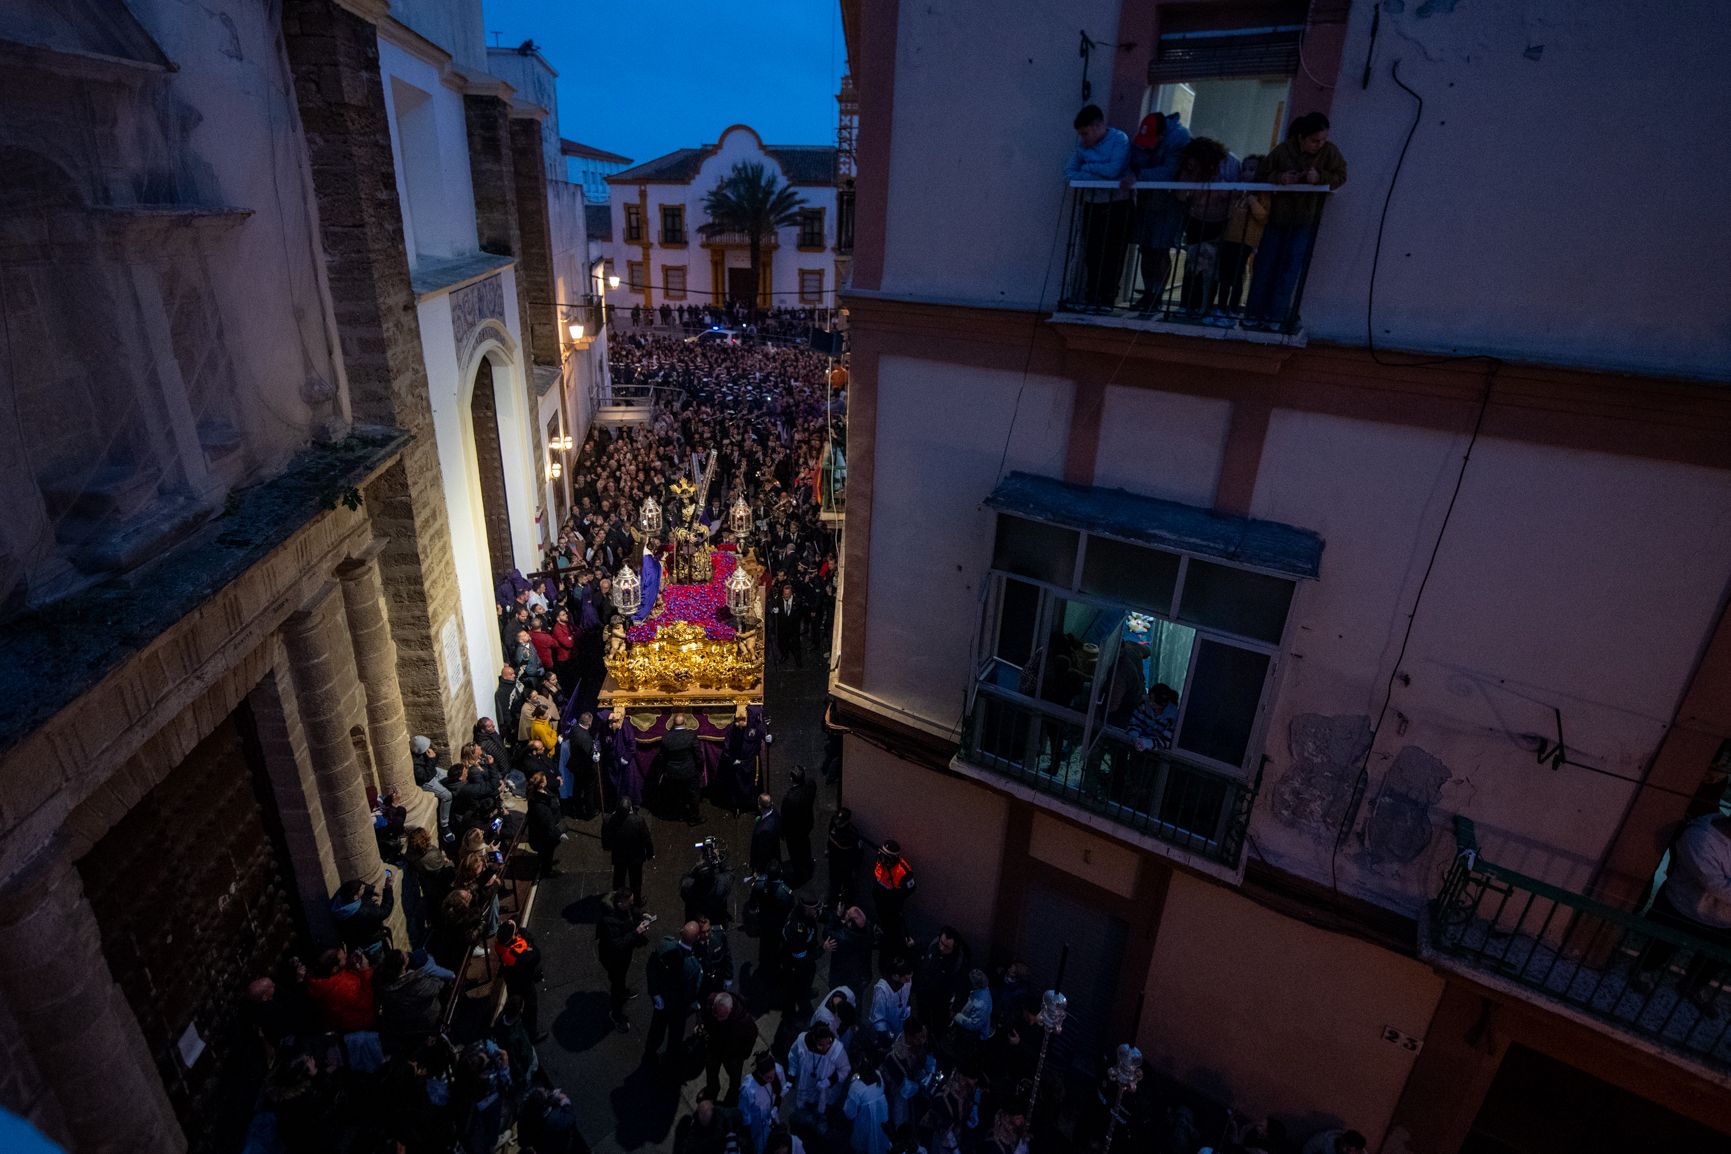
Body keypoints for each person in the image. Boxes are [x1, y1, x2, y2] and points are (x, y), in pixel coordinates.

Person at [1244, 111, 1346, 332]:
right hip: (1278, 218)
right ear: (1301, 137)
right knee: (1265, 266)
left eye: (1322, 140)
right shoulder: (1283, 151)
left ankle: (1275, 317)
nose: (1319, 145)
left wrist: (1320, 178)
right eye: (1314, 140)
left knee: (1289, 269)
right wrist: (1280, 179)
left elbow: (1341, 176)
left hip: (1304, 220)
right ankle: (1253, 313)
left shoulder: (1329, 153)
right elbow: (1262, 173)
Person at [1631, 811, 1731, 1011]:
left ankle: (1693, 985)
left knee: (1714, 957)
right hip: (1683, 905)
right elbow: (1716, 885)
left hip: (1723, 917)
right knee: (1662, 945)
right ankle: (1643, 971)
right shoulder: (1699, 838)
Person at [1063, 104, 1131, 310]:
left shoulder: (1119, 140)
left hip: (1118, 205)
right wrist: (1091, 172)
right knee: (1092, 253)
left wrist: (1088, 167)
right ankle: (1091, 295)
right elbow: (1068, 173)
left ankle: (1107, 297)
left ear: (1099, 126)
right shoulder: (1083, 147)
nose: (1083, 139)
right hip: (1093, 205)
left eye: (1085, 133)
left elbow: (1114, 170)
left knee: (1112, 253)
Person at [1126, 109, 1192, 313]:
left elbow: (1170, 172)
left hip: (1169, 204)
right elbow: (1135, 159)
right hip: (1146, 201)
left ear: (1162, 135)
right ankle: (1148, 293)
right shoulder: (1144, 135)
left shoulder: (1180, 138)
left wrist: (1139, 175)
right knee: (1146, 248)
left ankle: (1157, 295)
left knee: (1160, 248)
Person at [1173, 136, 1240, 320]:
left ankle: (1206, 307)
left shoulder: (1230, 163)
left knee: (1212, 267)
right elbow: (1180, 194)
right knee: (1193, 264)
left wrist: (1220, 191)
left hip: (1221, 222)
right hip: (1195, 220)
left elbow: (1235, 195)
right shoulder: (1188, 165)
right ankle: (1186, 305)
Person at [645, 920, 704, 1067]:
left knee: (656, 1030)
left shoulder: (664, 945)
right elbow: (693, 991)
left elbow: (651, 970)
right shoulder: (693, 966)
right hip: (678, 1007)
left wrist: (655, 994)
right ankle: (670, 1060)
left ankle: (650, 1054)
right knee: (675, 1035)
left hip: (662, 1001)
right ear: (696, 939)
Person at [1217, 153, 1267, 317]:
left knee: (1237, 274)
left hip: (1245, 241)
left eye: (1251, 170)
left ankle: (1233, 308)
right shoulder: (1239, 192)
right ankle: (1221, 306)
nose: (1246, 173)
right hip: (1229, 238)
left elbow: (1263, 217)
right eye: (1244, 169)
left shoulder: (1262, 194)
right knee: (1224, 274)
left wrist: (1253, 202)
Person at [598, 888, 653, 1030]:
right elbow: (618, 944)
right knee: (616, 983)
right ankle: (616, 1014)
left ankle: (622, 991)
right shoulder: (609, 921)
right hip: (613, 958)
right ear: (620, 903)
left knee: (621, 978)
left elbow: (632, 911)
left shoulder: (623, 908)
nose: (632, 904)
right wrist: (636, 932)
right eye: (629, 903)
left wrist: (641, 915)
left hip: (622, 955)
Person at [787, 1020, 852, 1129]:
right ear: (814, 1039)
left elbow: (845, 1069)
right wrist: (791, 1077)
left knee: (821, 1109)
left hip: (824, 1091)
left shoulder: (836, 1050)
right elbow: (793, 1057)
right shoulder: (802, 1041)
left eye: (828, 1042)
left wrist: (830, 1081)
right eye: (821, 1045)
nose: (826, 1048)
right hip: (805, 1085)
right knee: (803, 1109)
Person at [700, 991, 759, 1106]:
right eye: (715, 1013)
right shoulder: (711, 1002)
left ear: (731, 1010)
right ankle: (712, 1089)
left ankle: (732, 1097)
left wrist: (743, 1055)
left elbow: (752, 1036)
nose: (717, 1018)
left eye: (722, 1016)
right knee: (711, 1072)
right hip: (714, 1047)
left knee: (735, 1079)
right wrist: (702, 1025)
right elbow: (704, 1015)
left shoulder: (744, 1022)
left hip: (733, 1055)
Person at [494, 920, 546, 1040]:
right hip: (524, 982)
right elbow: (536, 956)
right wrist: (530, 947)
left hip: (511, 979)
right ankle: (533, 1034)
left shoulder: (500, 946)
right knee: (531, 1005)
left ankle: (518, 1019)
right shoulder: (516, 955)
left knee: (515, 1001)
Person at [330, 874, 395, 957]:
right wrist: (388, 889)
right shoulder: (364, 912)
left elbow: (357, 888)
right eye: (362, 889)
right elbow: (384, 911)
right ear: (356, 897)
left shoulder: (339, 903)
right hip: (373, 945)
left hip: (354, 946)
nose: (364, 887)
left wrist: (371, 891)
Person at [871, 840, 917, 955]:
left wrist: (896, 897)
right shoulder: (880, 860)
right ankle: (881, 936)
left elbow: (911, 889)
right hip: (879, 899)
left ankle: (890, 946)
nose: (882, 859)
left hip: (892, 906)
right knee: (882, 919)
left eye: (885, 857)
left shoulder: (903, 872)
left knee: (891, 927)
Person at [604, 796, 655, 898]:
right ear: (630, 809)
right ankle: (636, 900)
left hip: (619, 856)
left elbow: (606, 837)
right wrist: (650, 853)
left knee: (618, 879)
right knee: (636, 881)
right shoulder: (638, 821)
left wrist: (607, 847)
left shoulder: (609, 819)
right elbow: (647, 839)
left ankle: (617, 899)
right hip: (635, 857)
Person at [741, 1051, 790, 1153]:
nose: (771, 1079)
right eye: (767, 1077)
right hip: (756, 1124)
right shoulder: (748, 1089)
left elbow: (779, 1093)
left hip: (772, 1116)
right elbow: (744, 1113)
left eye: (772, 1075)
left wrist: (776, 1107)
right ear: (759, 1073)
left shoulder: (778, 1070)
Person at [662, 712, 703, 823]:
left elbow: (663, 755)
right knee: (693, 794)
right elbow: (698, 754)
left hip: (672, 772)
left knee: (676, 794)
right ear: (685, 722)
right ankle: (694, 818)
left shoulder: (666, 737)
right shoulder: (691, 735)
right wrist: (700, 768)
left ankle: (679, 815)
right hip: (689, 770)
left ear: (673, 723)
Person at [524, 771, 566, 877]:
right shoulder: (540, 805)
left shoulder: (539, 794)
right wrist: (559, 834)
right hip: (544, 837)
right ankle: (547, 871)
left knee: (547, 853)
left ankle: (545, 863)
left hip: (544, 833)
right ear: (542, 784)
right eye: (545, 779)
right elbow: (548, 824)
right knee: (547, 852)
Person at [781, 765, 818, 884]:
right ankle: (807, 864)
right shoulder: (810, 786)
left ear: (792, 779)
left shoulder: (789, 798)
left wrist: (783, 832)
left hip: (793, 831)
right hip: (806, 824)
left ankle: (799, 874)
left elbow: (785, 817)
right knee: (805, 845)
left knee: (795, 852)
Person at [844, 1064, 891, 1154]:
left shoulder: (856, 1087)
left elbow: (850, 1112)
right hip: (882, 1114)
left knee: (865, 1139)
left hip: (865, 1118)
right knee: (880, 1136)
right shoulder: (878, 1075)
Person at [411, 735, 452, 837]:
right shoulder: (415, 764)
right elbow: (425, 776)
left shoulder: (425, 751)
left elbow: (435, 758)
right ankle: (444, 825)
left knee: (452, 776)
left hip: (433, 770)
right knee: (447, 796)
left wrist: (433, 757)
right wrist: (432, 760)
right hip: (426, 781)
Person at [867, 960, 914, 1047]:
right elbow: (878, 1019)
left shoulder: (907, 982)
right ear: (895, 976)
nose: (909, 981)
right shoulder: (882, 990)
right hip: (883, 1032)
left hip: (899, 1026)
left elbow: (906, 1000)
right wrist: (888, 1036)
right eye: (906, 979)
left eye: (910, 977)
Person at [826, 807, 864, 905]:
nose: (838, 823)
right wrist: (828, 849)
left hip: (845, 865)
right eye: (837, 820)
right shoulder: (833, 823)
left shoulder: (852, 835)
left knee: (847, 886)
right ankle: (832, 902)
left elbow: (858, 853)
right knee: (834, 883)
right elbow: (830, 838)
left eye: (841, 821)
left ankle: (846, 904)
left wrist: (855, 869)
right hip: (833, 860)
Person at [1128, 683, 1179, 752]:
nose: (1150, 703)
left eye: (1153, 701)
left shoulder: (1172, 718)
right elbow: (1134, 724)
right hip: (1135, 747)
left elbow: (1166, 741)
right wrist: (1135, 738)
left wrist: (1147, 743)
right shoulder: (1144, 706)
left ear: (1162, 704)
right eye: (1149, 698)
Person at [771, 581, 808, 668]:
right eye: (784, 594)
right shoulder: (778, 600)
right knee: (783, 643)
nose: (786, 596)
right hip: (783, 627)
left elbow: (801, 614)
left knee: (795, 645)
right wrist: (774, 611)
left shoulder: (797, 601)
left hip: (794, 628)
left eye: (788, 594)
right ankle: (785, 655)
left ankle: (798, 660)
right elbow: (774, 612)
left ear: (791, 593)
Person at [751, 793, 784, 874]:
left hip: (767, 862)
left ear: (760, 807)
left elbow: (763, 853)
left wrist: (759, 869)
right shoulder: (775, 813)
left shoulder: (764, 830)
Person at [1302, 1128, 1368, 1154]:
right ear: (1341, 1139)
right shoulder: (1321, 1140)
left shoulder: (1361, 1152)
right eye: (1343, 1145)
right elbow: (1306, 1150)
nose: (1343, 1149)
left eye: (1348, 1149)